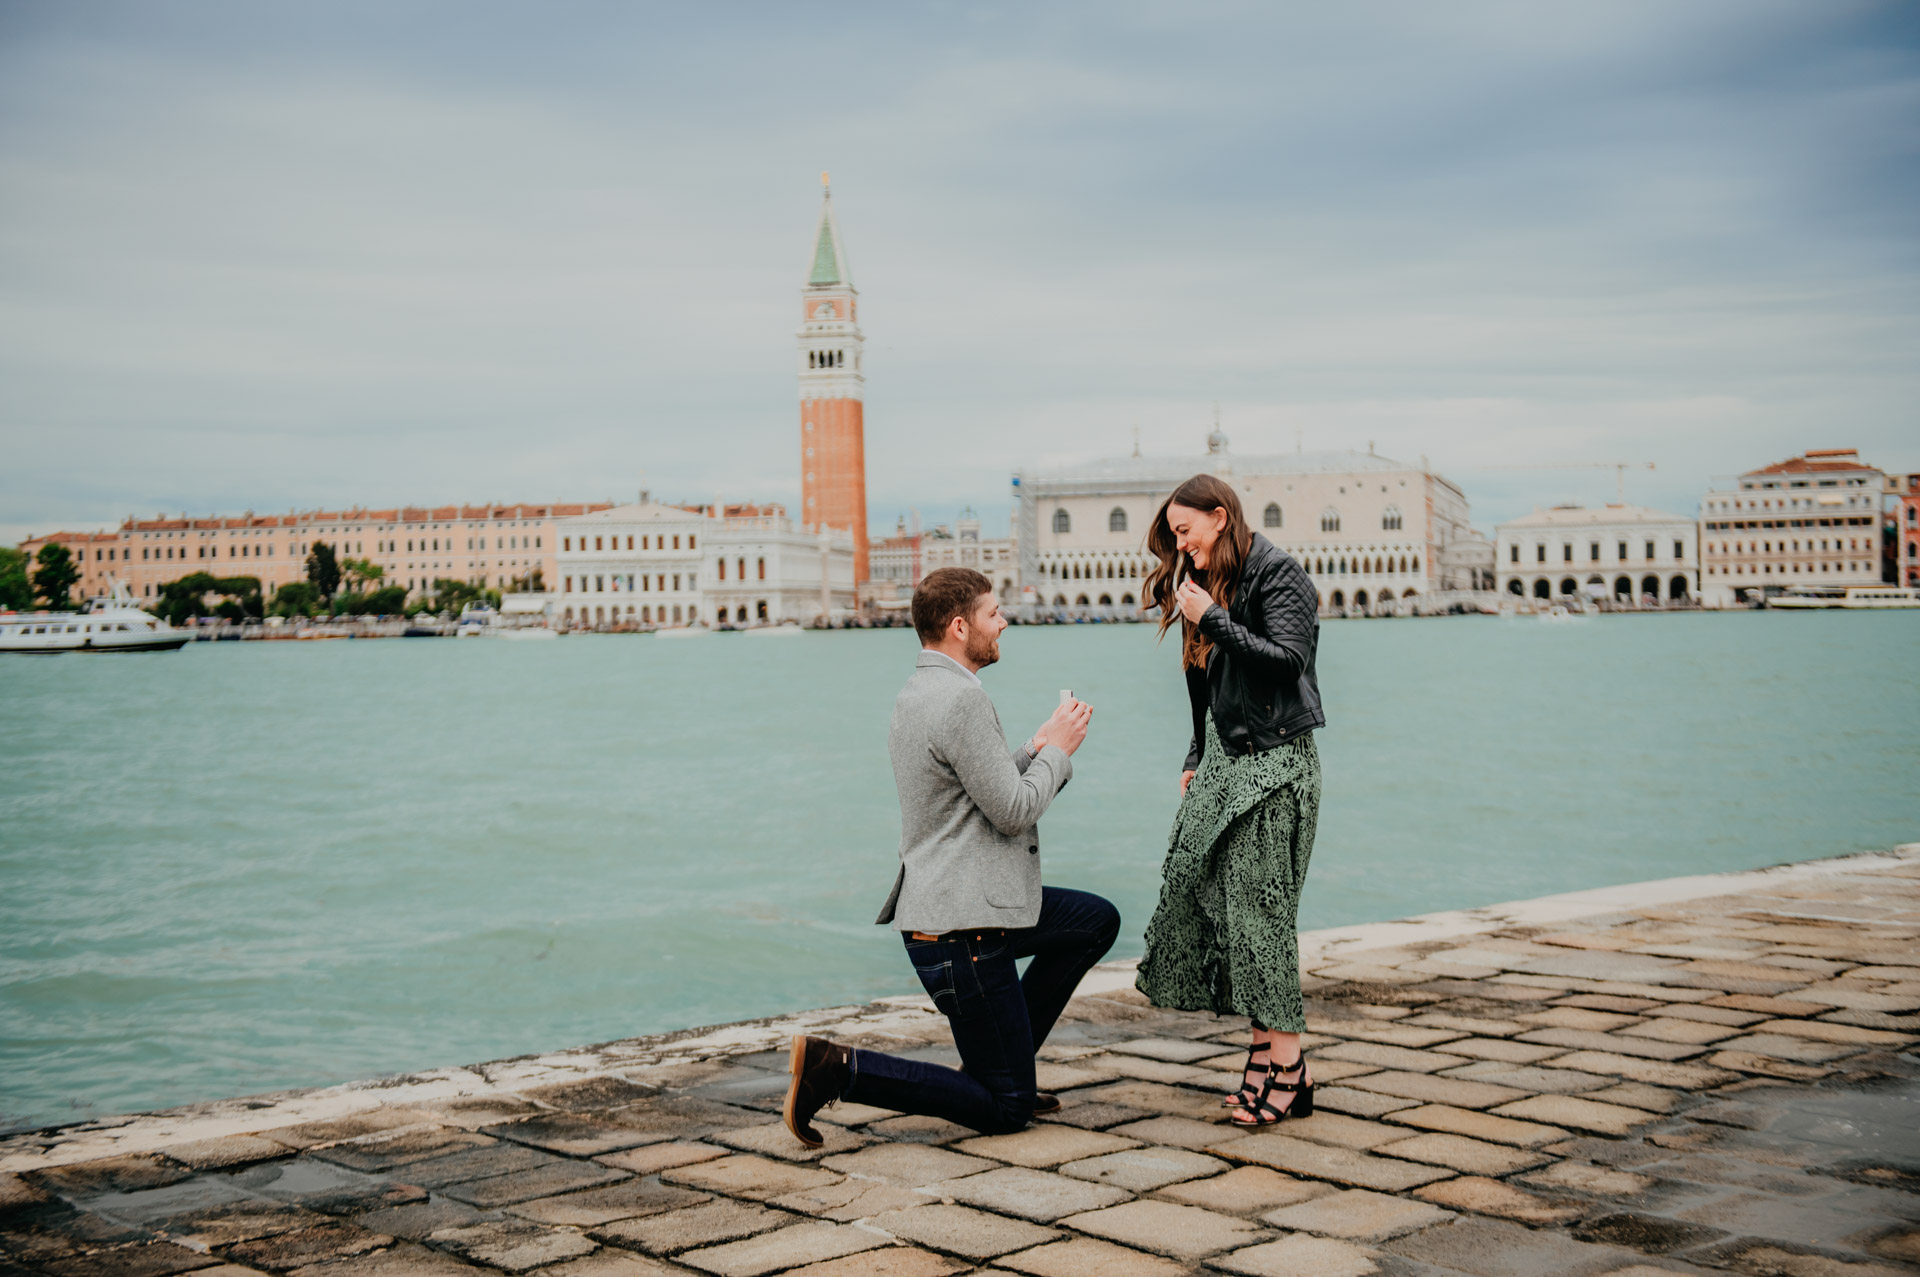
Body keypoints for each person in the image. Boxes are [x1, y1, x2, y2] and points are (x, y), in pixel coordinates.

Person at [783, 567, 1118, 1145]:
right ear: (961, 626)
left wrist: (1034, 747)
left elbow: (969, 790)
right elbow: (1013, 811)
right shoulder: (962, 701)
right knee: (1006, 1109)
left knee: (1094, 922)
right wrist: (1059, 755)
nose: (1005, 621)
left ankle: (1003, 1063)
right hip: (964, 929)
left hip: (962, 909)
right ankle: (838, 1070)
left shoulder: (919, 691)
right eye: (994, 613)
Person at [1134, 473, 1325, 1126]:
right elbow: (1198, 673)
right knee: (1225, 909)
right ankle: (1263, 1054)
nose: (1181, 548)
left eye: (1185, 532)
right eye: (1174, 538)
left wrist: (1213, 618)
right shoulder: (1209, 582)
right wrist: (1194, 752)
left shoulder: (1279, 575)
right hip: (1225, 759)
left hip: (1277, 760)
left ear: (1220, 516)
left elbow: (1287, 661)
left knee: (1264, 915)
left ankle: (1290, 1069)